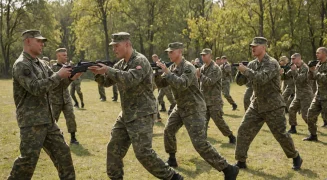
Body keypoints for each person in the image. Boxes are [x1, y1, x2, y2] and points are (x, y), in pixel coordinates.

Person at [88, 32, 183, 180]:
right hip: (126, 115)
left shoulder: (140, 61)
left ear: (127, 44)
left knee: (143, 153)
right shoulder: (121, 64)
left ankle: (174, 178)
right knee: (113, 149)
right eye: (113, 46)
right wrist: (97, 74)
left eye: (116, 46)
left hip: (142, 114)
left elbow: (129, 79)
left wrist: (108, 70)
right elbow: (107, 83)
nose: (114, 49)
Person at [155, 42, 239, 180]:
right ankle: (171, 158)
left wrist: (167, 73)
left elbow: (182, 84)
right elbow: (162, 84)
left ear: (180, 52)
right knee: (168, 130)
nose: (169, 54)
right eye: (168, 52)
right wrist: (158, 74)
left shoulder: (188, 67)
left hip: (194, 108)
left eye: (171, 52)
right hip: (180, 107)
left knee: (199, 143)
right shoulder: (171, 67)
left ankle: (228, 169)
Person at [8, 30, 78, 179]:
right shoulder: (22, 64)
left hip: (48, 120)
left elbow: (55, 85)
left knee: (63, 154)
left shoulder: (41, 63)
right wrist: (59, 75)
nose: (42, 44)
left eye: (42, 41)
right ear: (27, 41)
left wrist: (71, 78)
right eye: (38, 41)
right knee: (27, 162)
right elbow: (36, 88)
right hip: (32, 122)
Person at [235, 37, 302, 170]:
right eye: (252, 46)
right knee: (243, 130)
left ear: (264, 47)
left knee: (281, 134)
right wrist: (240, 71)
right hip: (257, 104)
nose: (253, 48)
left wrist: (246, 71)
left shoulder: (272, 63)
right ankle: (241, 161)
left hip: (273, 106)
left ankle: (295, 157)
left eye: (256, 46)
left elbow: (261, 78)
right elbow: (240, 82)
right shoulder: (253, 64)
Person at [197, 48, 236, 144]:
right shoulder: (202, 68)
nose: (202, 57)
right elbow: (200, 84)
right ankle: (202, 140)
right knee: (203, 122)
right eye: (202, 55)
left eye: (204, 55)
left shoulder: (215, 68)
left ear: (210, 56)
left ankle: (231, 136)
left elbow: (210, 82)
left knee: (219, 121)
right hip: (204, 100)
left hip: (214, 101)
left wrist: (200, 76)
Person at [303, 47, 327, 141]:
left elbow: (325, 78)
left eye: (318, 53)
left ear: (324, 54)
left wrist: (315, 71)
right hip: (318, 95)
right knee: (310, 115)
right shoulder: (319, 64)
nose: (316, 54)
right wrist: (310, 70)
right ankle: (313, 135)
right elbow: (311, 78)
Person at [51, 48, 80, 144]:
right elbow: (55, 83)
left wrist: (75, 76)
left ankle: (73, 138)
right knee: (53, 119)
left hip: (66, 97)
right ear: (58, 56)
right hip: (55, 98)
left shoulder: (68, 67)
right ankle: (49, 138)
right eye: (64, 55)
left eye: (66, 55)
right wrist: (70, 79)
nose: (66, 57)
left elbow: (68, 82)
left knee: (71, 117)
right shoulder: (52, 68)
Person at [286, 53, 314, 134]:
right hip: (298, 95)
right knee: (291, 109)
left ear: (299, 59)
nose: (292, 60)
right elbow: (286, 76)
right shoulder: (295, 67)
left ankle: (313, 131)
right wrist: (283, 72)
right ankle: (293, 128)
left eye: (294, 58)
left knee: (305, 115)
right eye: (291, 58)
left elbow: (299, 80)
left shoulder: (305, 68)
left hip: (306, 95)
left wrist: (294, 71)